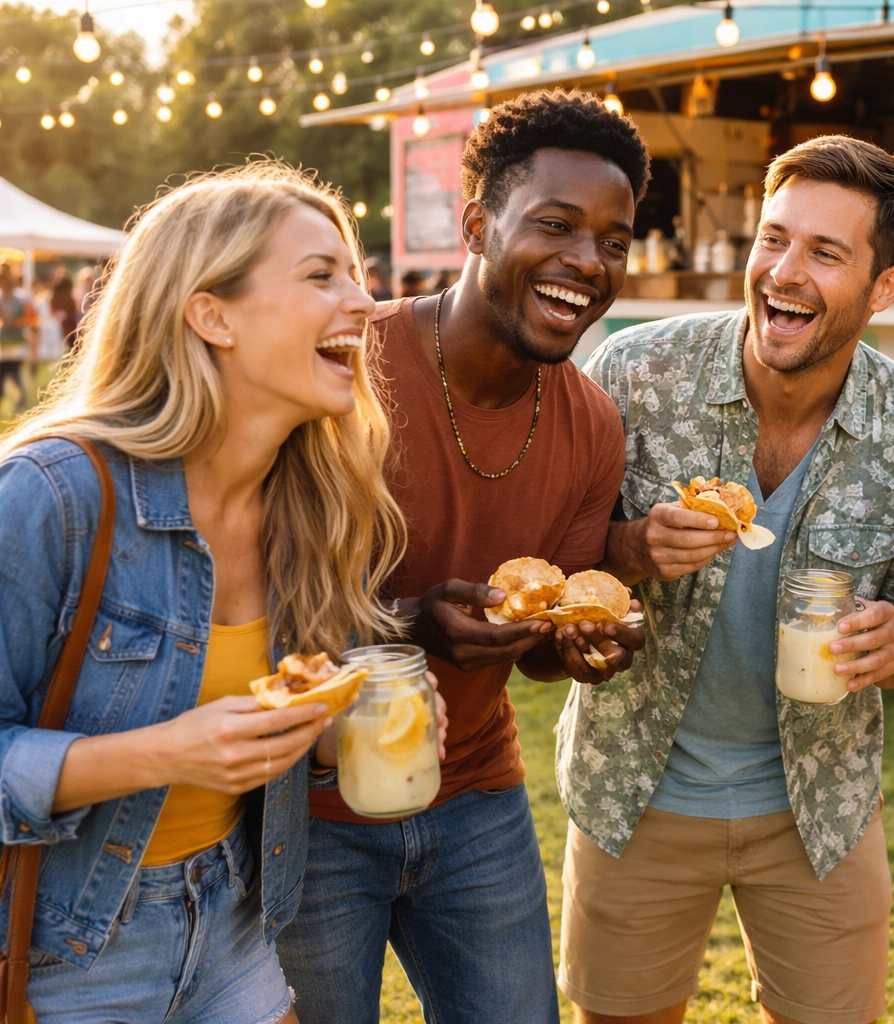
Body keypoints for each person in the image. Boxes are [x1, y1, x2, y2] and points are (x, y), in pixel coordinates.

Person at [0, 160, 435, 1023]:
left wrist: (342, 733)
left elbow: (278, 734)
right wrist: (168, 753)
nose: (364, 301)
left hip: (234, 922)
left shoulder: (313, 502)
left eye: (356, 275)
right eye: (322, 275)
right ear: (212, 315)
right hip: (64, 952)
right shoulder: (54, 495)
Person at [275, 89, 650, 1024]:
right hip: (312, 806)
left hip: (476, 794)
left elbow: (536, 654)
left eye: (613, 241)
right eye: (556, 225)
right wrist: (409, 624)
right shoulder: (346, 366)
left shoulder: (594, 425)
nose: (587, 261)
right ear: (478, 225)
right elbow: (245, 599)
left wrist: (579, 648)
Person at [566, 134, 894, 1024]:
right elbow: (562, 559)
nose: (783, 272)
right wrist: (631, 548)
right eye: (773, 238)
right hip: (638, 793)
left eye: (825, 252)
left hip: (819, 809)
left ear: (884, 286)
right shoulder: (635, 375)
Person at [0, 262, 37, 412]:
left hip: (12, 338)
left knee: (9, 370)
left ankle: (19, 396)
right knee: (10, 370)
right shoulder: (19, 296)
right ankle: (19, 396)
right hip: (9, 339)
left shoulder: (18, 297)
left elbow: (28, 318)